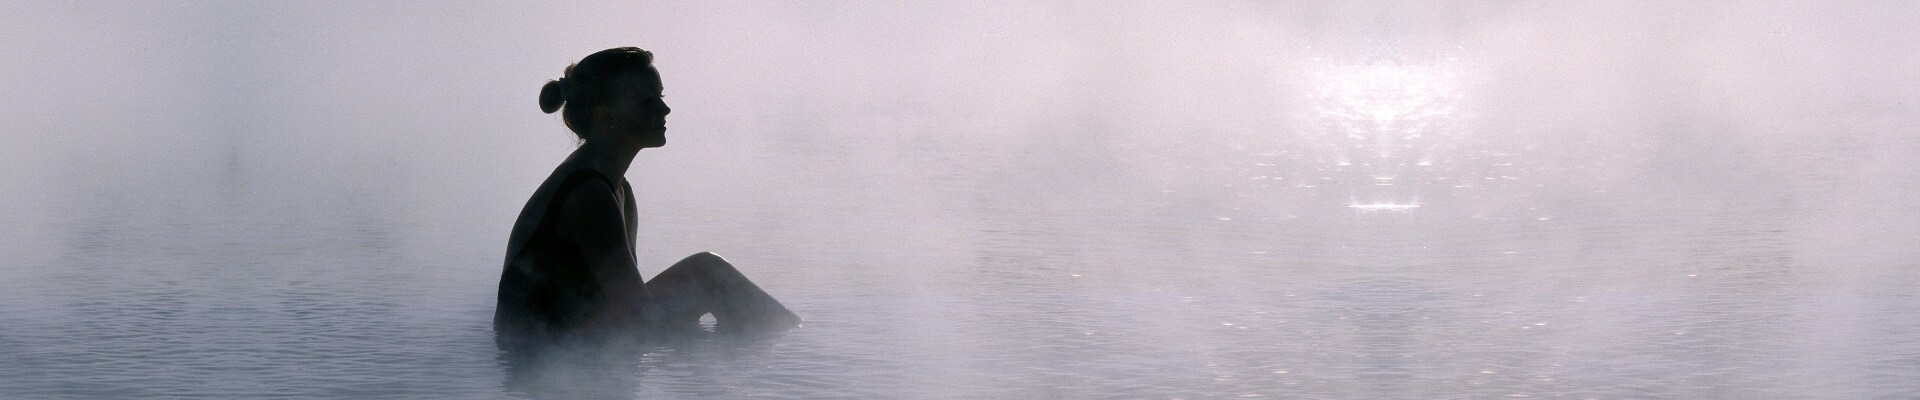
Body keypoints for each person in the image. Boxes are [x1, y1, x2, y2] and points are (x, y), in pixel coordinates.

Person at [494, 47, 799, 345]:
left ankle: (785, 355)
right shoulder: (589, 195)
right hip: (538, 357)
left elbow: (627, 307)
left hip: (573, 347)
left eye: (661, 98)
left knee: (707, 285)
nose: (664, 110)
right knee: (708, 274)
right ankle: (795, 353)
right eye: (646, 102)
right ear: (605, 117)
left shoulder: (618, 189)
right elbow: (638, 319)